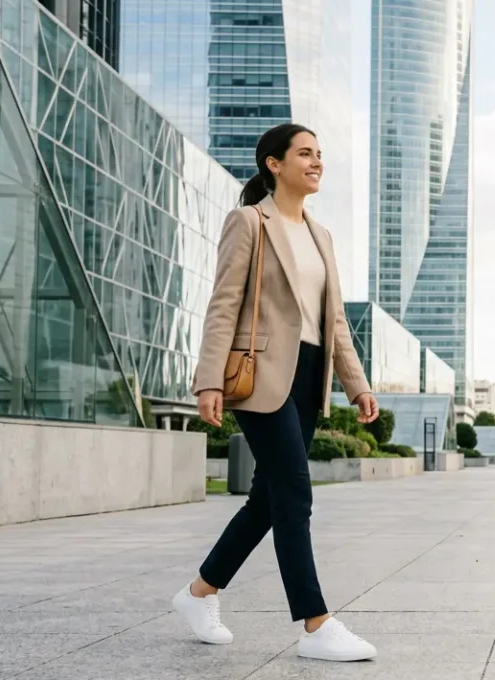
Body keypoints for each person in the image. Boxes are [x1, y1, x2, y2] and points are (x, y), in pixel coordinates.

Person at [173, 123, 379, 663]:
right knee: (294, 492)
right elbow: (224, 303)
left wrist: (357, 386)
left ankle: (199, 592)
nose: (317, 162)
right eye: (305, 153)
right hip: (260, 373)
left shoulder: (321, 235)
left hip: (309, 376)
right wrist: (209, 379)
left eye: (320, 154)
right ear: (274, 163)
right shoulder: (249, 222)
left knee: (267, 499)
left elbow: (335, 322)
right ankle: (315, 623)